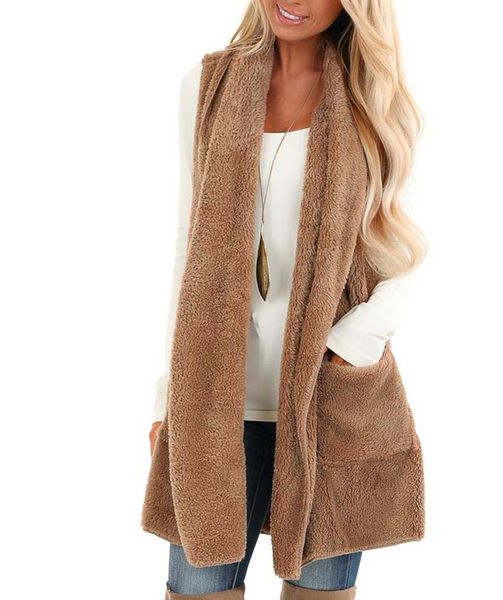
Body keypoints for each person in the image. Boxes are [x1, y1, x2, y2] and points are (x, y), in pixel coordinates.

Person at [142, 1, 427, 598]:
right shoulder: (207, 86)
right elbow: (187, 242)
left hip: (327, 400)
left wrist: (350, 345)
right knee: (197, 588)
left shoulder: (375, 99)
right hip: (216, 400)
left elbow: (404, 249)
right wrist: (171, 394)